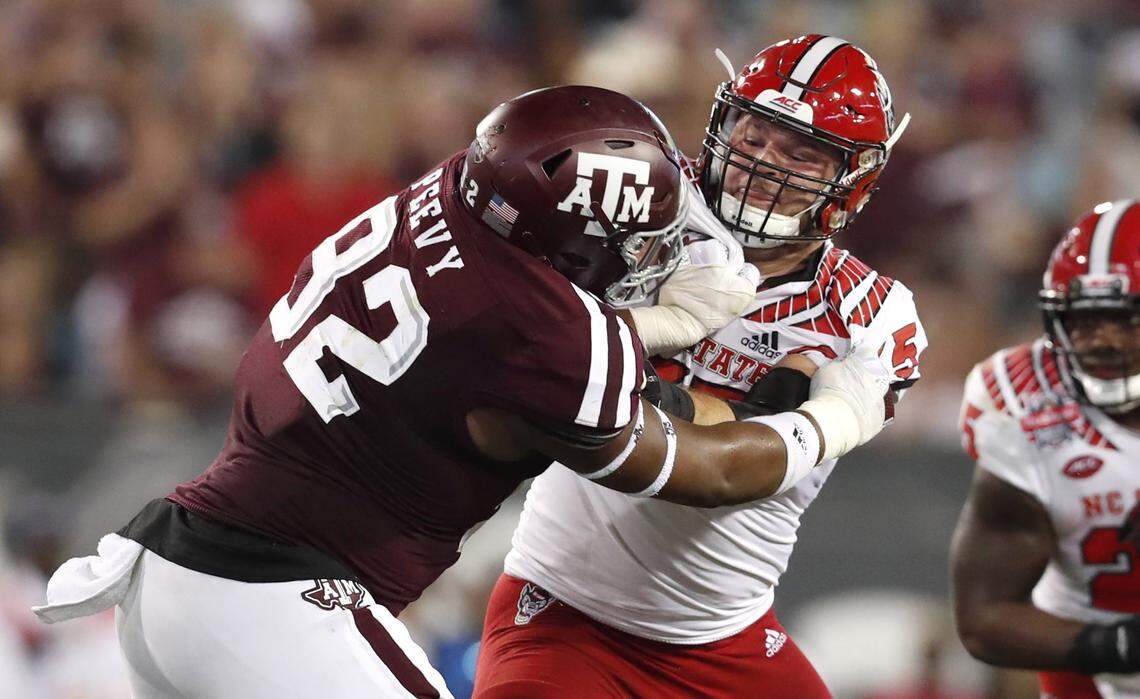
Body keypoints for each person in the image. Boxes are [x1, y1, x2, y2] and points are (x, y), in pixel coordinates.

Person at [33, 85, 889, 698]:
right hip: (276, 606)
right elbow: (686, 465)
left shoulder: (454, 189)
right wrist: (826, 418)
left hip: (175, 576)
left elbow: (489, 341)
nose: (650, 257)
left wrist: (644, 329)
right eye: (635, 242)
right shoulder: (540, 330)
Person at [474, 35, 926, 699]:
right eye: (755, 134)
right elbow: (506, 321)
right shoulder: (639, 197)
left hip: (730, 639)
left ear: (853, 179)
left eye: (801, 152)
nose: (766, 164)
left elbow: (739, 455)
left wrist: (626, 364)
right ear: (723, 122)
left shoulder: (871, 313)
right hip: (570, 611)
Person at [952, 199, 1140, 699]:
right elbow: (984, 618)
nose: (1103, 340)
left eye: (1125, 319)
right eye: (1084, 319)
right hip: (1093, 673)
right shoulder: (1025, 411)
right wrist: (1115, 644)